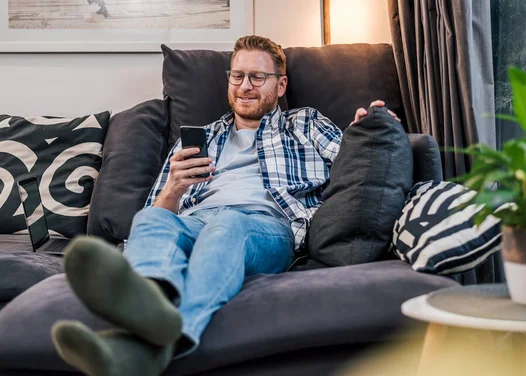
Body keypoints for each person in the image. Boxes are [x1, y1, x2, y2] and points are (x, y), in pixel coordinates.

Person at [50, 35, 398, 376]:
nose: (245, 86)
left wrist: (367, 128)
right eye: (237, 76)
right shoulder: (203, 137)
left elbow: (355, 157)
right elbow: (160, 214)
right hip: (195, 221)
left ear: (280, 85)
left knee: (227, 223)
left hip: (264, 225)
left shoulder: (304, 123)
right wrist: (174, 187)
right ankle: (148, 313)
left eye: (257, 77)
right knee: (150, 219)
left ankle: (175, 334)